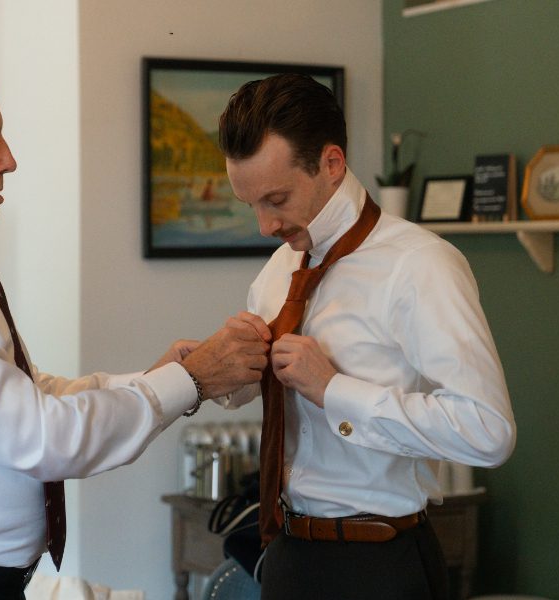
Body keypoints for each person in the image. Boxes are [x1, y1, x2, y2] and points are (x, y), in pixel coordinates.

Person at [0, 50, 269, 600]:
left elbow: (32, 395)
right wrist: (191, 381)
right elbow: (37, 435)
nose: (8, 160)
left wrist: (158, 378)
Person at [214, 73, 516, 599]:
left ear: (331, 165)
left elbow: (488, 431)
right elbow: (266, 393)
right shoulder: (279, 269)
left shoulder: (421, 265)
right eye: (252, 205)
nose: (264, 225)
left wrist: (335, 390)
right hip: (287, 554)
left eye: (277, 199)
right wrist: (223, 371)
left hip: (379, 565)